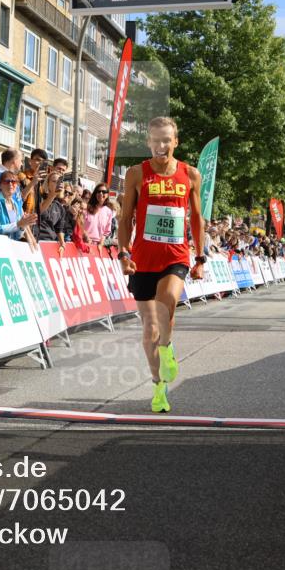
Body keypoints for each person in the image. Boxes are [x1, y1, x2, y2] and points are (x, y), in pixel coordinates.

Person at [118, 116, 204, 413]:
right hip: (143, 259)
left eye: (166, 139)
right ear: (148, 142)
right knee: (149, 329)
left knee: (167, 301)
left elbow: (197, 218)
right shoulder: (136, 174)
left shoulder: (190, 174)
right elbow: (125, 218)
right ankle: (158, 387)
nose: (161, 145)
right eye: (156, 140)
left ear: (175, 142)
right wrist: (123, 253)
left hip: (175, 256)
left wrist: (200, 257)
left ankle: (167, 349)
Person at [0, 171, 38, 240]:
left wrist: (23, 226)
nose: (10, 184)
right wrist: (18, 224)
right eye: (6, 181)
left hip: (11, 245)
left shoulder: (14, 204)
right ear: (0, 185)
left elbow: (16, 236)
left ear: (17, 186)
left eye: (13, 181)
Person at [36, 170, 67, 253]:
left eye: (59, 182)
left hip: (50, 243)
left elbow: (59, 229)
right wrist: (53, 194)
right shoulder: (39, 197)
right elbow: (40, 211)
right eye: (54, 181)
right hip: (37, 240)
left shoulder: (60, 207)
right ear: (47, 183)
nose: (57, 183)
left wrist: (62, 244)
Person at [84, 182, 115, 250]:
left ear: (107, 195)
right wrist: (86, 236)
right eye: (98, 191)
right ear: (95, 193)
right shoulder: (86, 208)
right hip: (85, 243)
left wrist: (101, 244)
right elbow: (80, 225)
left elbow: (106, 232)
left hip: (98, 246)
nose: (101, 193)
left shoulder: (109, 212)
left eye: (104, 192)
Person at [19, 148, 47, 214]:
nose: (40, 163)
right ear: (30, 161)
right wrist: (33, 182)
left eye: (43, 162)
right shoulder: (21, 176)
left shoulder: (43, 182)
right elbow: (18, 198)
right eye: (38, 160)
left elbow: (44, 205)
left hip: (35, 218)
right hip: (23, 217)